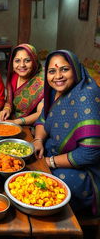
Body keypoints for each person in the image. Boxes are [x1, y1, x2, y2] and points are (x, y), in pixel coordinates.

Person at [33, 50, 100, 214]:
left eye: (64, 69)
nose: (58, 76)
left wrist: (49, 162)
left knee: (42, 189)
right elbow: (42, 119)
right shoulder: (55, 92)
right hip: (52, 153)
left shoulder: (87, 96)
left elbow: (89, 154)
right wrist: (38, 141)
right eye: (52, 71)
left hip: (85, 171)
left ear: (76, 69)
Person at [0, 44, 44, 126]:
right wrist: (6, 110)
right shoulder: (13, 76)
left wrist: (17, 122)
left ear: (34, 60)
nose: (22, 65)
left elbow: (41, 113)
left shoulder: (42, 81)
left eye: (27, 60)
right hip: (11, 120)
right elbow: (9, 101)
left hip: (32, 126)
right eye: (17, 61)